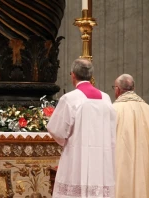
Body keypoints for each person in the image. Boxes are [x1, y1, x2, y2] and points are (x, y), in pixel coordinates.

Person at [47, 58, 116, 198]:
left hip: (76, 157)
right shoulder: (106, 98)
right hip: (102, 158)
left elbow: (57, 130)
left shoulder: (70, 99)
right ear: (91, 76)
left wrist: (66, 142)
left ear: (73, 75)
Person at [113, 74, 149, 198]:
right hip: (146, 162)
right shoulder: (148, 109)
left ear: (118, 89)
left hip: (123, 161)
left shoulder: (114, 109)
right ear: (133, 89)